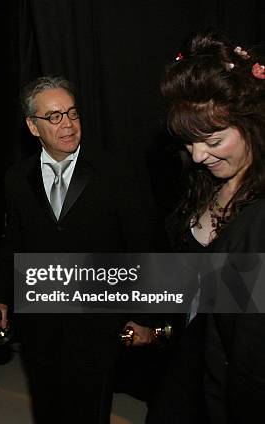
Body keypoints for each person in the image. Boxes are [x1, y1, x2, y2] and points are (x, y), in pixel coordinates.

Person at [0, 75, 160, 423]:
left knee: (91, 407)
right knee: (46, 401)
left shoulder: (116, 172)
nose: (67, 124)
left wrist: (145, 317)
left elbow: (144, 244)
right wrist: (1, 296)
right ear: (33, 127)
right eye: (54, 117)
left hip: (97, 318)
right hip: (39, 317)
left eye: (72, 113)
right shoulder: (17, 177)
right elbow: (13, 242)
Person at [146, 32, 265, 424]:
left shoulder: (259, 219)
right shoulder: (205, 181)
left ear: (254, 127)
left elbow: (249, 353)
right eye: (188, 142)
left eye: (213, 139)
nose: (197, 156)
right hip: (184, 369)